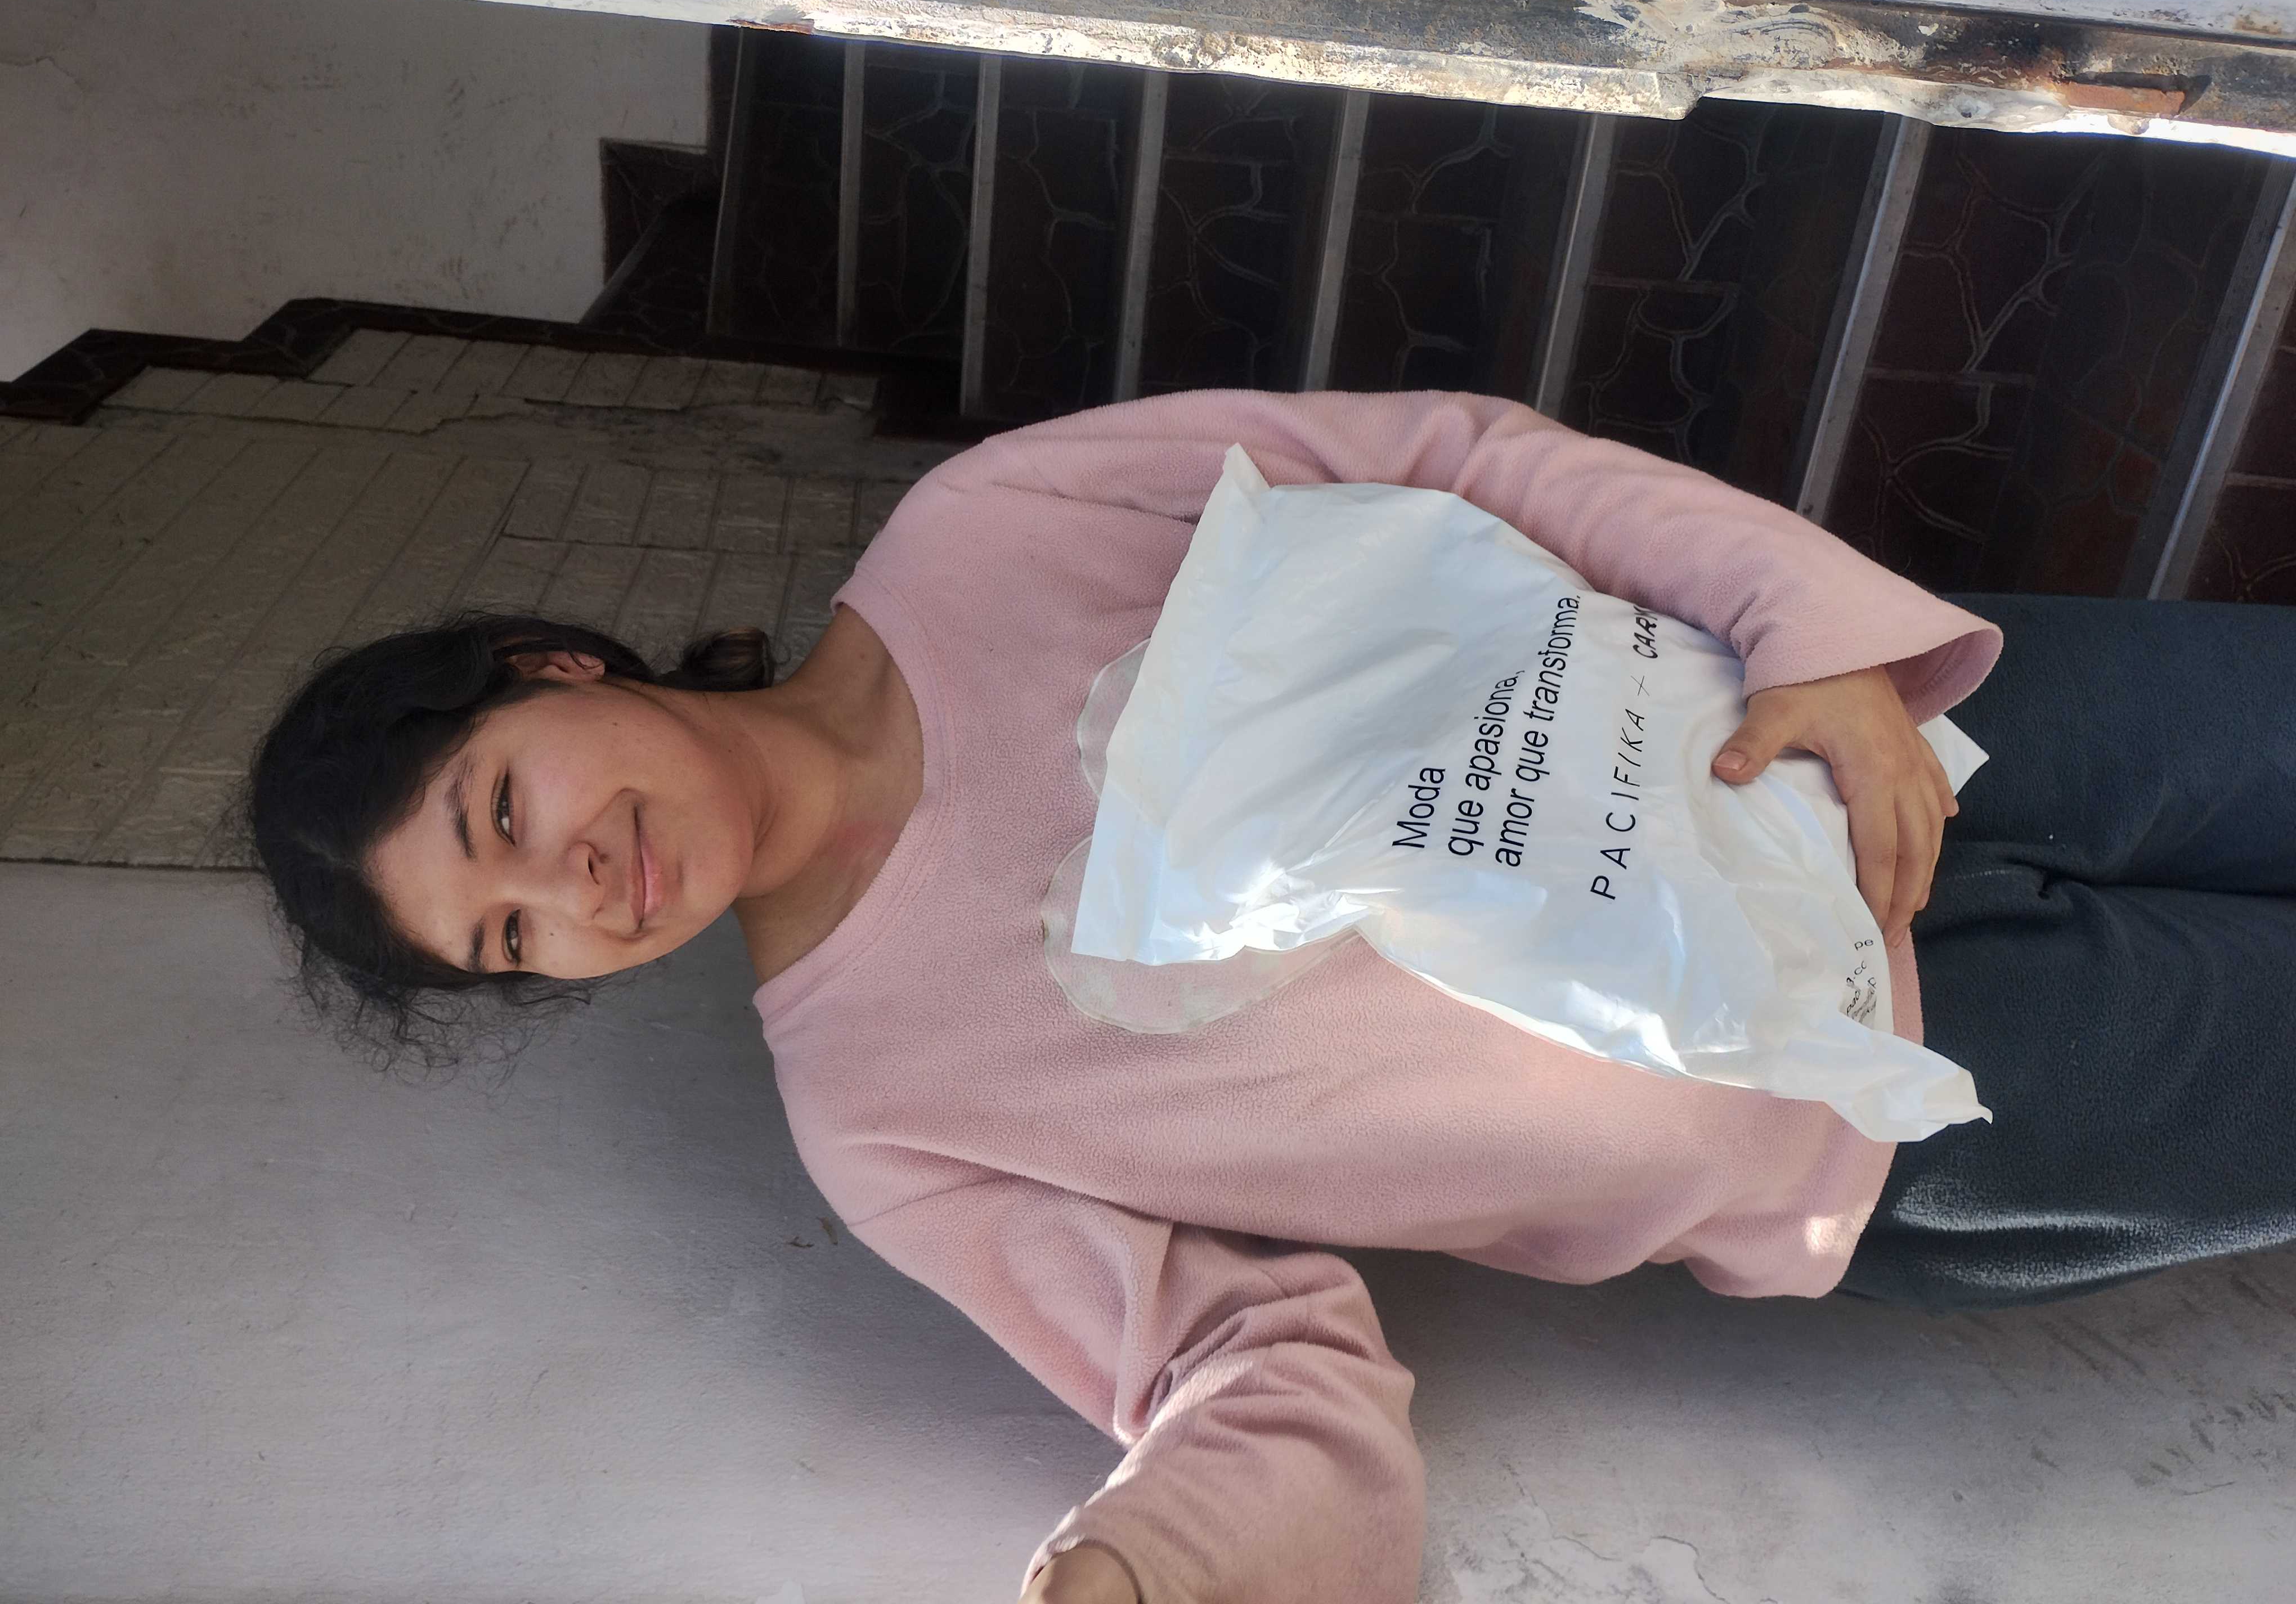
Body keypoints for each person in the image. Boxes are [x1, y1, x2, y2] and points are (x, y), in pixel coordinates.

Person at [246, 389, 2296, 1604]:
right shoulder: (881, 1119)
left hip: (1892, 733)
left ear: (555, 666)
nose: (571, 888)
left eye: (504, 810)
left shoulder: (989, 527)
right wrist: (1149, 1567)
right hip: (1903, 1106)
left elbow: (1456, 457)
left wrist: (1812, 632)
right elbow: (1247, 1362)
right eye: (509, 938)